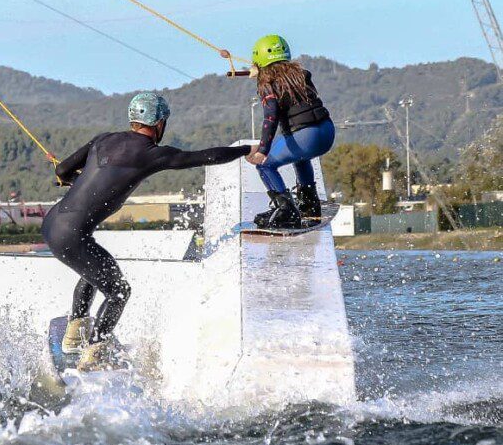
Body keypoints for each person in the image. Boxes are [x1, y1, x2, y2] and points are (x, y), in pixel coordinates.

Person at [42, 92, 254, 371]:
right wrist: (247, 150)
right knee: (118, 290)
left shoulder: (103, 139)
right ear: (159, 123)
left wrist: (73, 181)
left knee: (94, 272)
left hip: (52, 223)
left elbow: (63, 169)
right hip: (72, 235)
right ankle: (94, 352)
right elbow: (205, 156)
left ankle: (74, 333)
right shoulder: (152, 154)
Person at [245, 34, 335, 229]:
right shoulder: (301, 74)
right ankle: (310, 204)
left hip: (305, 137)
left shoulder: (267, 84)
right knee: (301, 158)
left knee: (264, 165)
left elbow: (270, 118)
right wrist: (260, 72)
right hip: (327, 132)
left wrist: (262, 149)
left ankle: (286, 210)